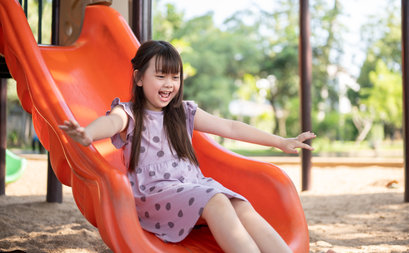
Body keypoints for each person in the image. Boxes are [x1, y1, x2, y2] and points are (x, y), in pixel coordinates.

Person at [59, 40, 316, 253]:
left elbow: (230, 127)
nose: (169, 84)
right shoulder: (129, 113)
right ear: (139, 78)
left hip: (193, 185)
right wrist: (87, 134)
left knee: (242, 205)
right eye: (160, 76)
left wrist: (280, 141)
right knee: (216, 200)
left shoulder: (183, 112)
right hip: (155, 193)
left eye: (175, 77)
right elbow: (112, 123)